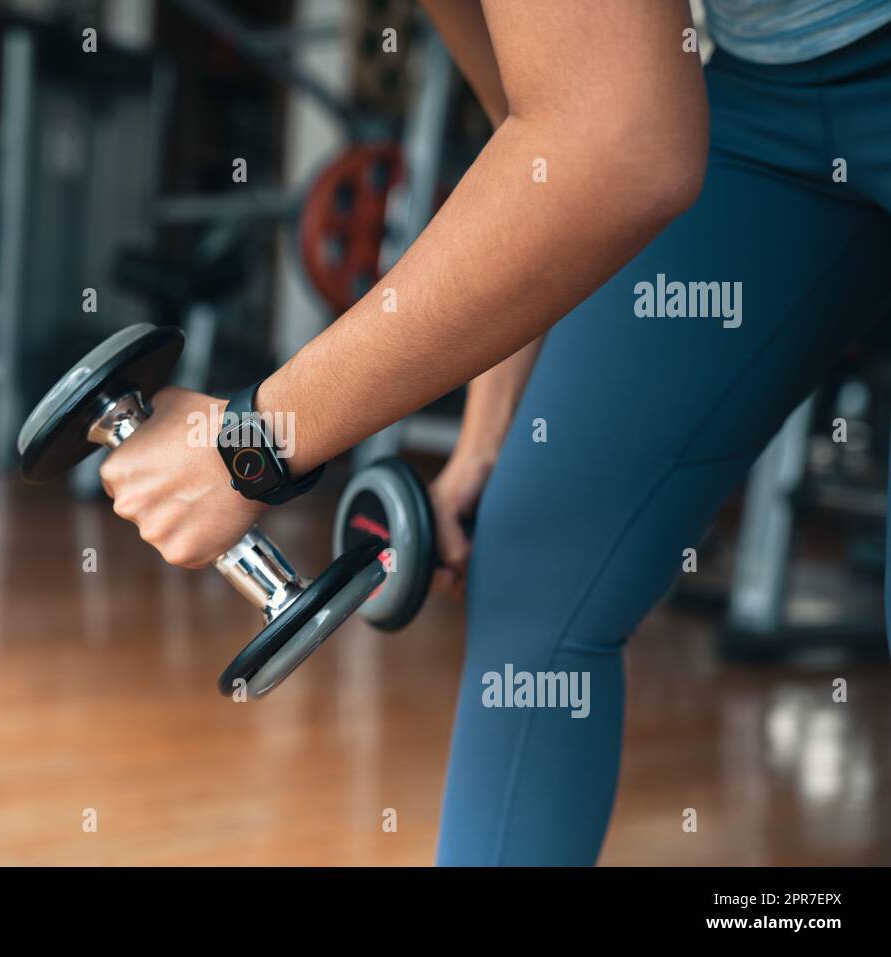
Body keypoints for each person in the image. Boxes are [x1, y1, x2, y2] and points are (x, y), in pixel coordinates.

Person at [97, 0, 891, 864]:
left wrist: (252, 447)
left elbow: (619, 150)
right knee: (534, 560)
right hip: (761, 103)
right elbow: (545, 140)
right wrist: (487, 437)